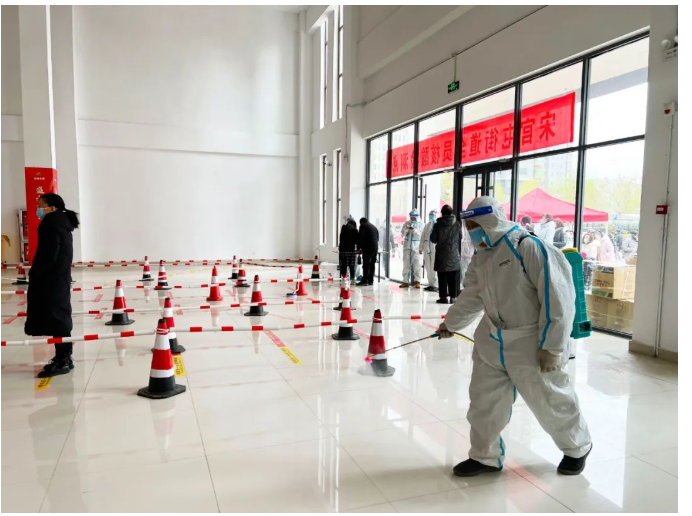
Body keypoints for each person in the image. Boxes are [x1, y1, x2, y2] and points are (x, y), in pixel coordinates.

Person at [437, 196, 592, 478]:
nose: (471, 232)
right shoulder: (482, 255)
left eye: (474, 225)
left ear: (490, 220)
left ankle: (576, 447)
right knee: (484, 402)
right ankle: (485, 456)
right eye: (468, 226)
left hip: (531, 341)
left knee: (550, 399)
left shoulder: (527, 246)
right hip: (492, 339)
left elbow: (558, 298)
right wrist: (451, 323)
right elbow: (473, 295)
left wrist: (552, 346)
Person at [25, 193, 80, 378]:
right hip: (58, 277)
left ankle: (64, 359)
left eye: (41, 205)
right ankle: (63, 357)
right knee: (59, 317)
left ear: (52, 208)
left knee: (58, 318)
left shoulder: (51, 225)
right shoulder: (61, 224)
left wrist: (37, 273)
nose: (39, 209)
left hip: (51, 279)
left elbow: (49, 255)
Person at [430, 205, 462, 304]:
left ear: (442, 213)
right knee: (453, 277)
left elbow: (433, 239)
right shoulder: (457, 224)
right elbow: (460, 237)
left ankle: (443, 298)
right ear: (451, 213)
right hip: (454, 254)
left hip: (442, 255)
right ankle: (453, 297)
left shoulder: (438, 225)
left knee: (442, 277)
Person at [400, 209, 423, 288]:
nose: (412, 218)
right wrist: (407, 230)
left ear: (417, 217)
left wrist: (414, 230)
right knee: (406, 264)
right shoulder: (407, 223)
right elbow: (402, 233)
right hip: (407, 247)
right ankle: (405, 281)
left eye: (414, 217)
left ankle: (417, 281)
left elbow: (422, 235)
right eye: (411, 217)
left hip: (416, 247)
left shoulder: (421, 224)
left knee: (417, 264)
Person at [419, 209, 438, 292]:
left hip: (434, 247)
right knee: (427, 265)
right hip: (427, 247)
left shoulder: (437, 225)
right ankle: (430, 284)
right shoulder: (426, 225)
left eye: (432, 215)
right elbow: (422, 237)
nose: (431, 216)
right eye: (430, 215)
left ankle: (435, 284)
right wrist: (421, 248)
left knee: (434, 265)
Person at [357, 217, 379, 286]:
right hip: (375, 247)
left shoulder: (362, 226)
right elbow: (377, 238)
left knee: (366, 264)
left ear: (361, 222)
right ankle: (371, 280)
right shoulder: (374, 227)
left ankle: (365, 281)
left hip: (367, 247)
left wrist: (358, 248)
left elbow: (360, 237)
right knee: (372, 264)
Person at [338, 215, 359, 281]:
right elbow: (357, 241)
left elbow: (341, 238)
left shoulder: (343, 227)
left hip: (342, 250)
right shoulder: (355, 230)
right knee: (352, 265)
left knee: (343, 265)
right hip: (351, 250)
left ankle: (344, 278)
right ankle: (352, 279)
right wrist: (358, 249)